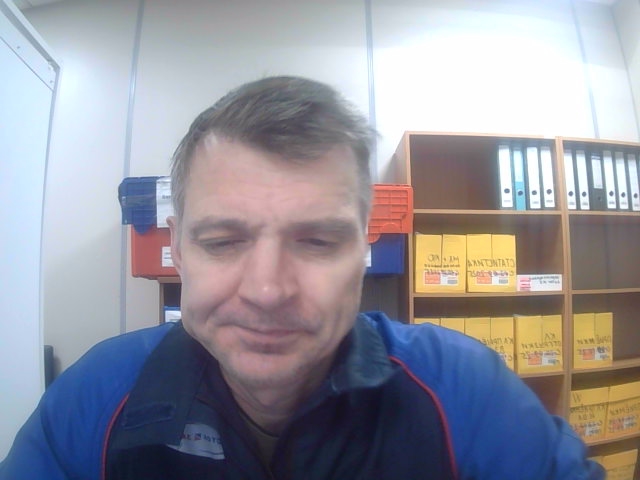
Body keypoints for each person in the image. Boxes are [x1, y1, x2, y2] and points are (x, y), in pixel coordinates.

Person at [0, 76, 604, 480]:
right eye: (223, 241)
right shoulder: (93, 399)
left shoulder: (466, 391)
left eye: (316, 241)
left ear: (363, 249)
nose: (267, 291)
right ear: (178, 250)